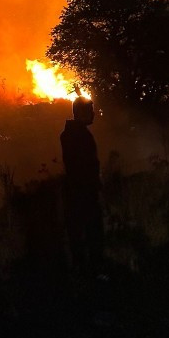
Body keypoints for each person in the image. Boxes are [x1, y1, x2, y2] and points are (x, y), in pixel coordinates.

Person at [60, 96, 104, 277]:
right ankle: (92, 273)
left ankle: (84, 272)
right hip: (84, 193)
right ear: (81, 113)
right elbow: (85, 167)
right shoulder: (80, 136)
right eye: (90, 110)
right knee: (90, 233)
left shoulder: (70, 133)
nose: (94, 114)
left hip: (78, 192)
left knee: (80, 234)